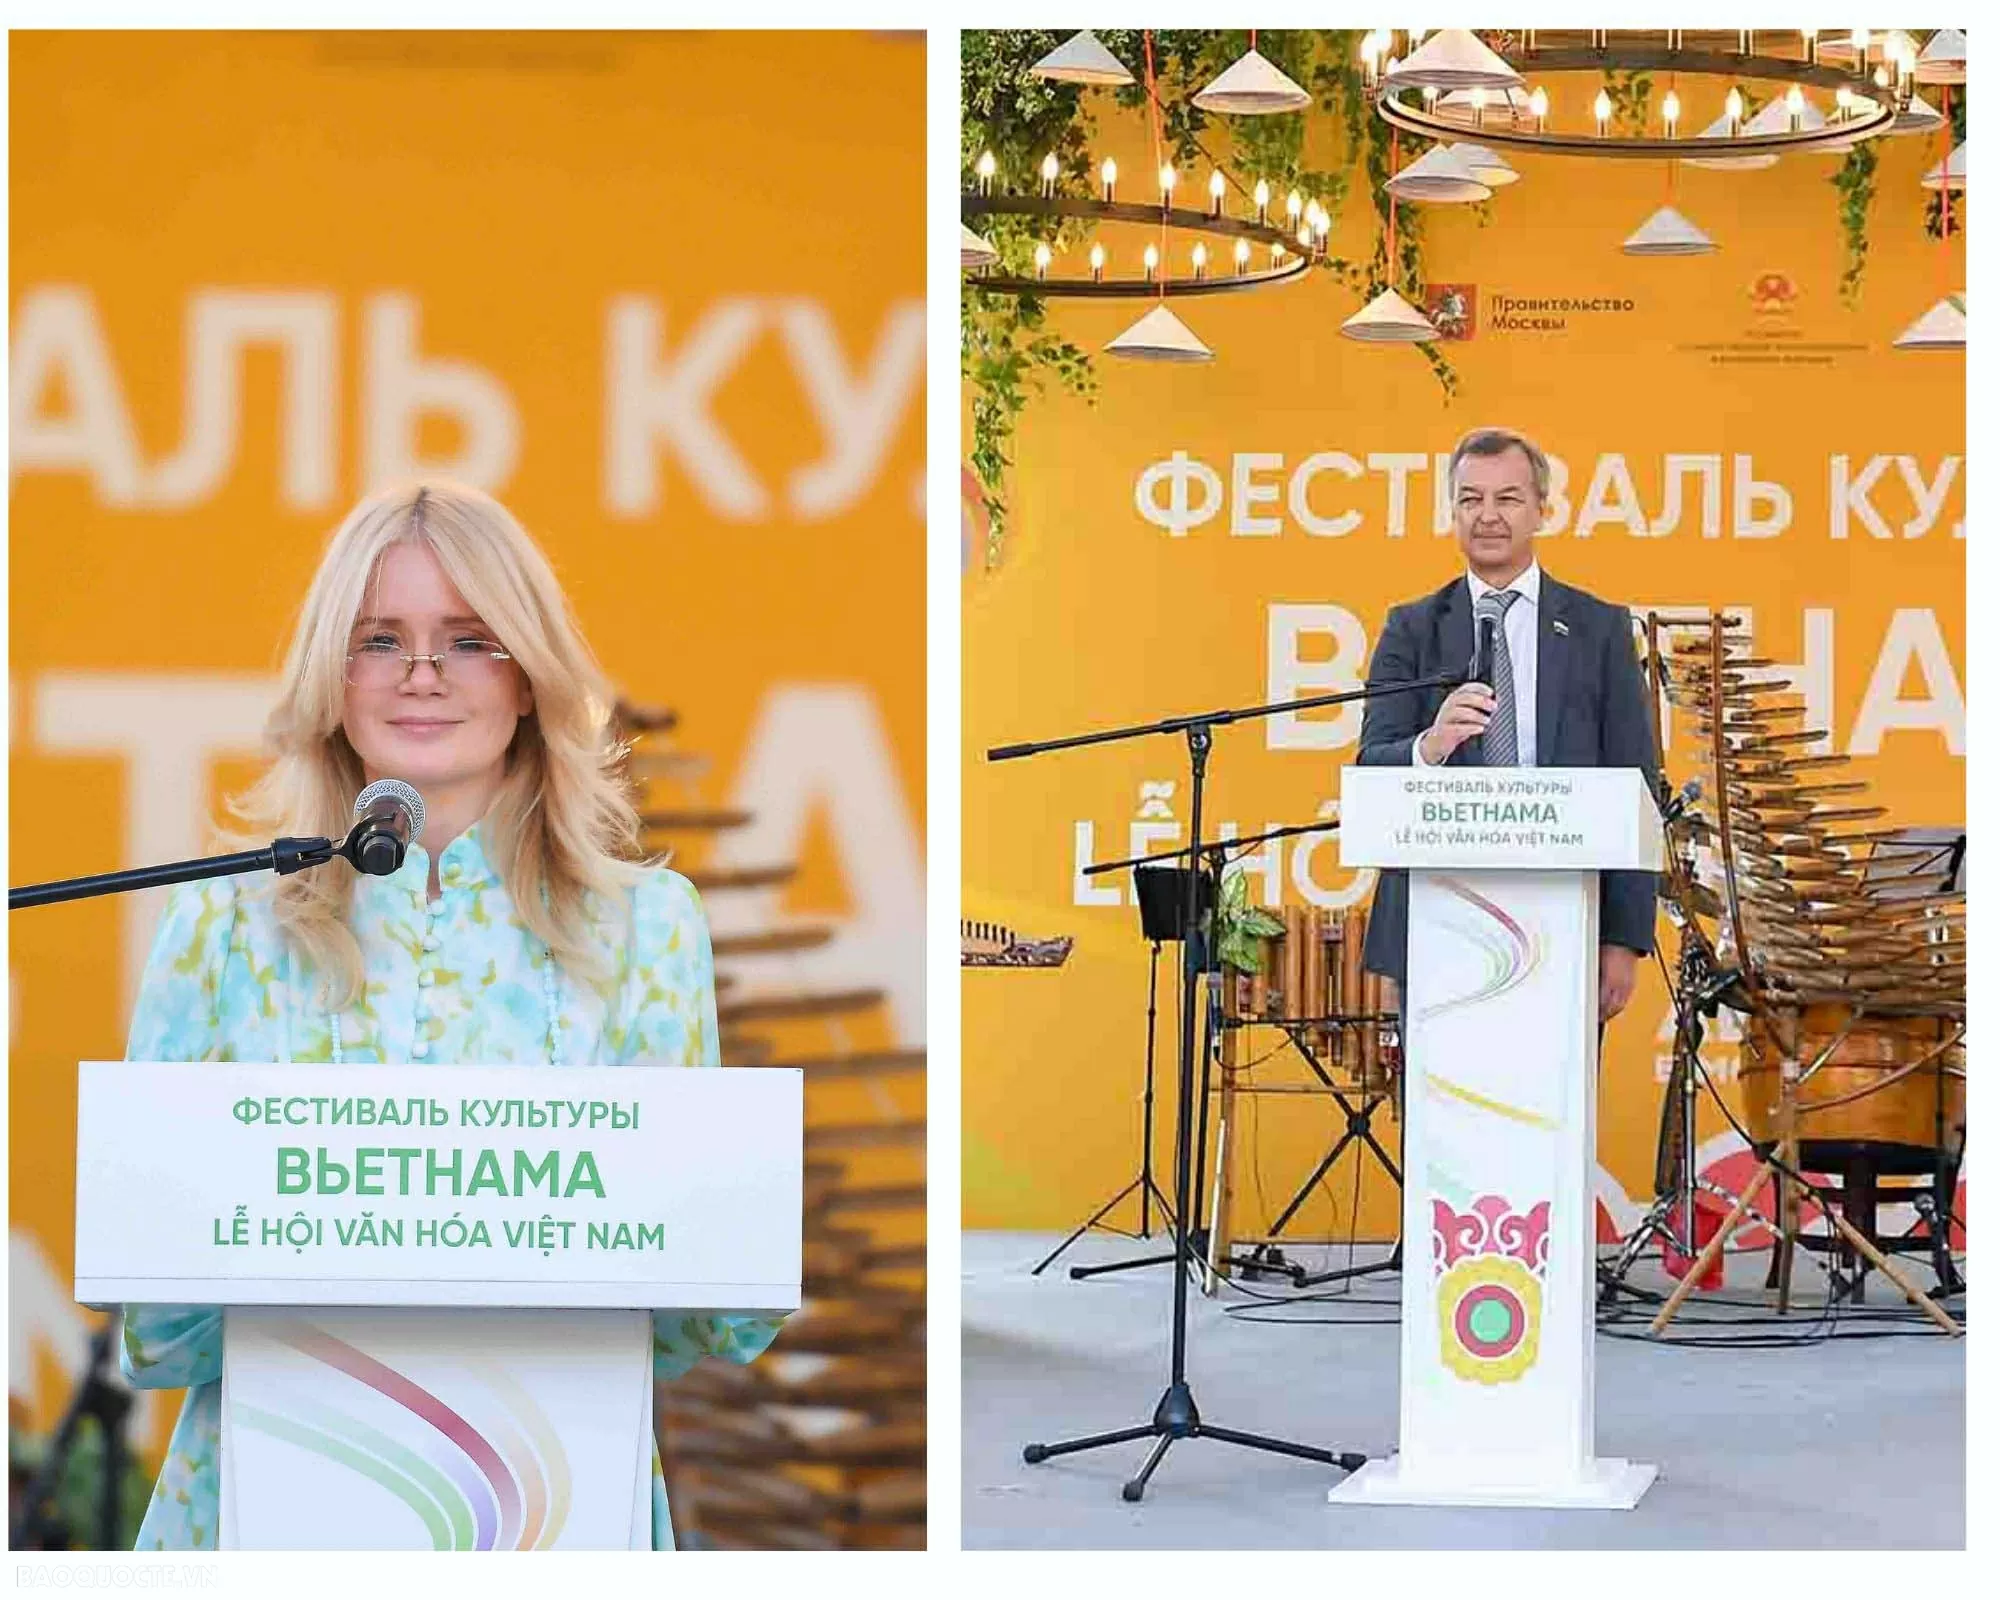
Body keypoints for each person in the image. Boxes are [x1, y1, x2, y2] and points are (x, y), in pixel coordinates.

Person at [118, 481, 783, 1550]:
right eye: (379, 639)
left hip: (556, 1506)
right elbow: (156, 1332)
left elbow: (696, 1318)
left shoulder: (648, 927)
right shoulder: (220, 926)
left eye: (470, 641)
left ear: (530, 679)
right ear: (330, 679)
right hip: (254, 1517)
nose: (421, 675)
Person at [1357, 426, 1660, 1022]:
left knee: (1554, 1108)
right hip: (1436, 922)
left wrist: (1623, 937)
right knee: (1439, 1112)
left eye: (1507, 499)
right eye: (1471, 499)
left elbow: (1635, 784)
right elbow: (1372, 767)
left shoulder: (1599, 628)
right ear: (1452, 513)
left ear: (1541, 511)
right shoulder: (1412, 629)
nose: (1487, 516)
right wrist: (1430, 745)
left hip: (1567, 922)